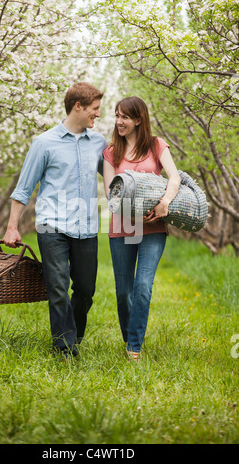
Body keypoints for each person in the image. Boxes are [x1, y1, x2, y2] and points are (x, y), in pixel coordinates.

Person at [3, 82, 107, 360]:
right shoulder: (44, 143)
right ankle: (65, 347)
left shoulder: (98, 143)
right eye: (95, 109)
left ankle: (74, 336)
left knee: (85, 290)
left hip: (86, 228)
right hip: (52, 226)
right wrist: (12, 226)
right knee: (58, 288)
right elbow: (24, 188)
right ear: (78, 106)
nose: (98, 114)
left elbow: (116, 175)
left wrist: (153, 148)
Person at [103, 96, 181, 361]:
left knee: (143, 285)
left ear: (138, 119)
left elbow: (176, 177)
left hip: (154, 227)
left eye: (124, 116)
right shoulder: (111, 152)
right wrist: (136, 213)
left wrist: (165, 202)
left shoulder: (157, 145)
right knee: (124, 291)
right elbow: (110, 195)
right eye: (116, 116)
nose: (119, 121)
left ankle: (133, 348)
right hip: (123, 226)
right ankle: (130, 338)